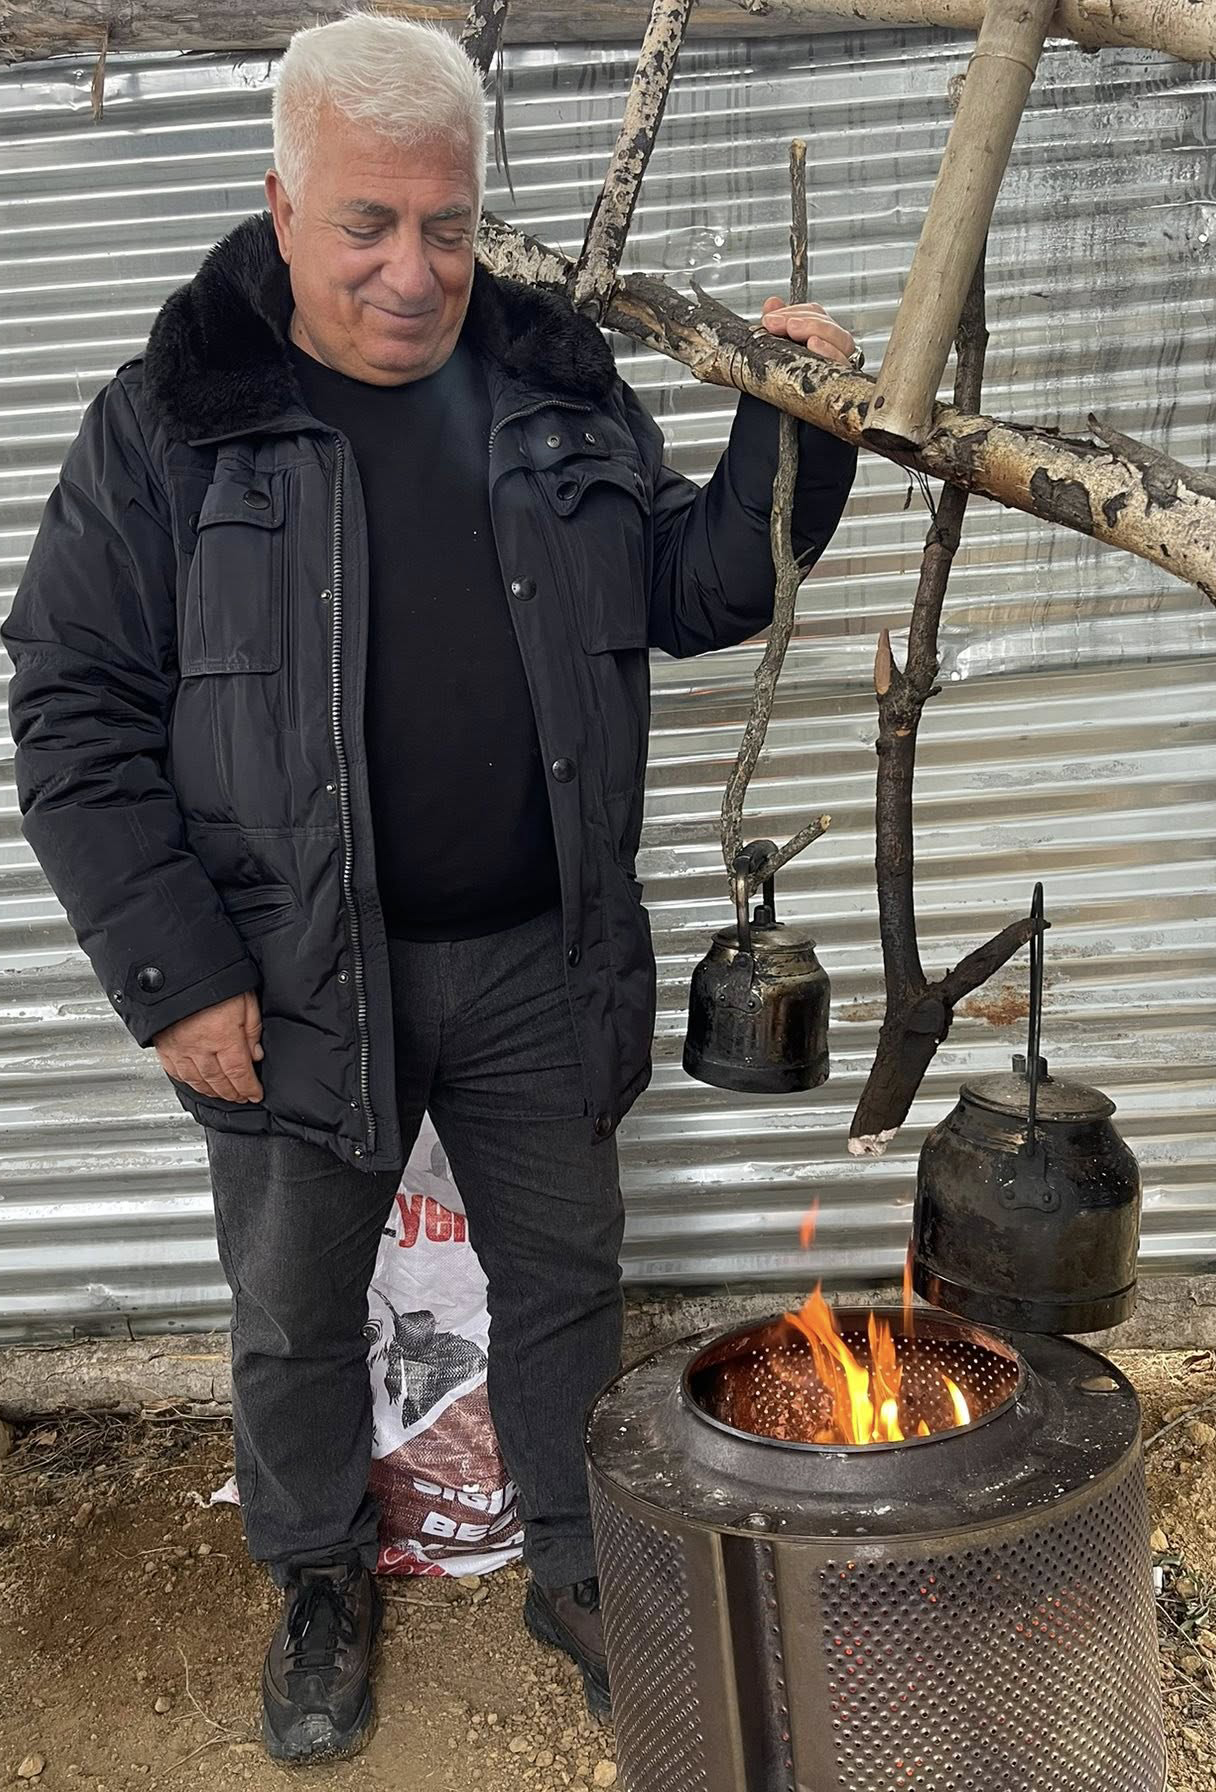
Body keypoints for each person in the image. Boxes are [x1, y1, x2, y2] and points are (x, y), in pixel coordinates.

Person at [2, 13, 856, 1766]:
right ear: (281, 206)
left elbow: (690, 585)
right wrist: (174, 975)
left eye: (448, 225)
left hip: (544, 958)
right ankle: (320, 1574)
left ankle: (573, 1561)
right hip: (292, 974)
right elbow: (67, 702)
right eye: (366, 224)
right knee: (296, 1312)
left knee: (564, 1277)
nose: (415, 270)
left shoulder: (552, 381)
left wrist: (797, 435)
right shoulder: (175, 418)